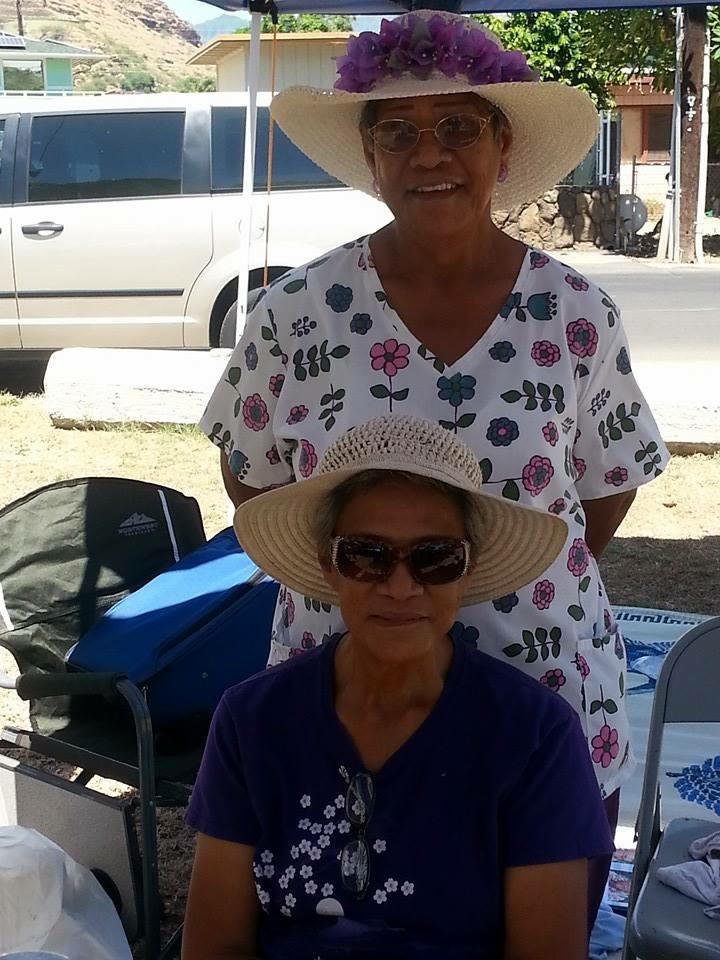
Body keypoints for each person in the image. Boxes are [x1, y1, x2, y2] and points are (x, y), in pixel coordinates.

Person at [198, 7, 669, 925]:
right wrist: (365, 575)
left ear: (501, 144)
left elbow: (607, 484)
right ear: (369, 158)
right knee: (355, 921)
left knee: (531, 925)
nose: (431, 154)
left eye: (457, 126)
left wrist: (500, 569)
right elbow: (253, 473)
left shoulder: (577, 312)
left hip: (542, 675)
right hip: (346, 676)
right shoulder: (296, 312)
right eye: (400, 132)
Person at [183, 415, 614, 960]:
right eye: (367, 555)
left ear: (467, 569)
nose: (402, 586)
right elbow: (214, 944)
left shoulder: (535, 736)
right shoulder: (252, 721)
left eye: (435, 558)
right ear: (329, 566)